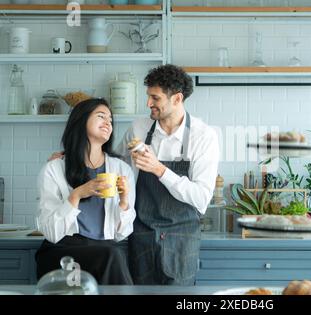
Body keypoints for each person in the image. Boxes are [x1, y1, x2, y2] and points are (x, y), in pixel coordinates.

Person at [115, 64, 220, 285]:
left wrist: (159, 169)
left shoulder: (203, 137)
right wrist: (74, 153)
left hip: (182, 237)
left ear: (177, 99)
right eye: (148, 96)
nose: (148, 104)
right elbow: (113, 162)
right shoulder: (139, 129)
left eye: (155, 98)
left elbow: (201, 198)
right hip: (140, 233)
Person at [35, 98, 136, 285]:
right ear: (81, 121)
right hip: (62, 250)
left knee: (112, 253)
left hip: (104, 249)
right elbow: (51, 232)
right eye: (101, 116)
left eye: (110, 120)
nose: (108, 122)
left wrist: (123, 202)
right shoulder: (53, 169)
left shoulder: (122, 169)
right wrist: (77, 195)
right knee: (112, 255)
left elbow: (122, 234)